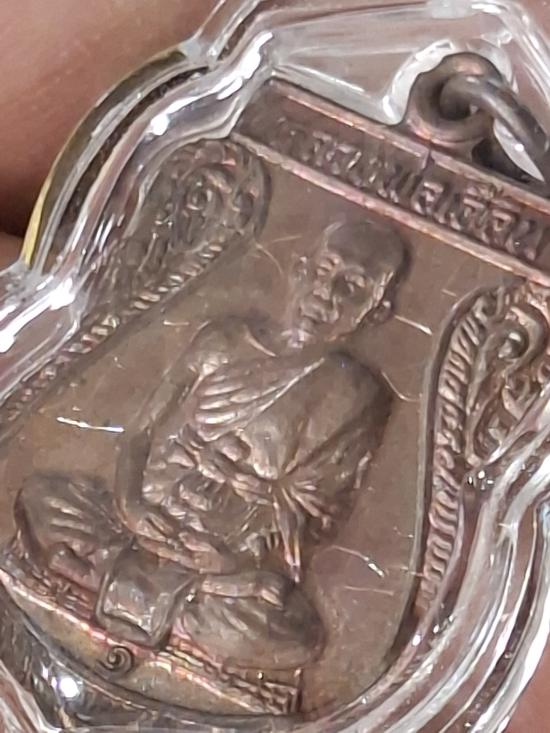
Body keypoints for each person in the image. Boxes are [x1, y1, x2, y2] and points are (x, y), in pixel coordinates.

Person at [0, 3, 544, 726]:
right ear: (303, 269)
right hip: (136, 519)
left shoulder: (356, 394)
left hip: (227, 568)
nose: (328, 294)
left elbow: (314, 515)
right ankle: (133, 588)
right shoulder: (224, 338)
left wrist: (227, 550)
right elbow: (141, 435)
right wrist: (135, 504)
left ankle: (125, 593)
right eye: (326, 274)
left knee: (292, 632)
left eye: (353, 289)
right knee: (45, 498)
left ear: (376, 310)